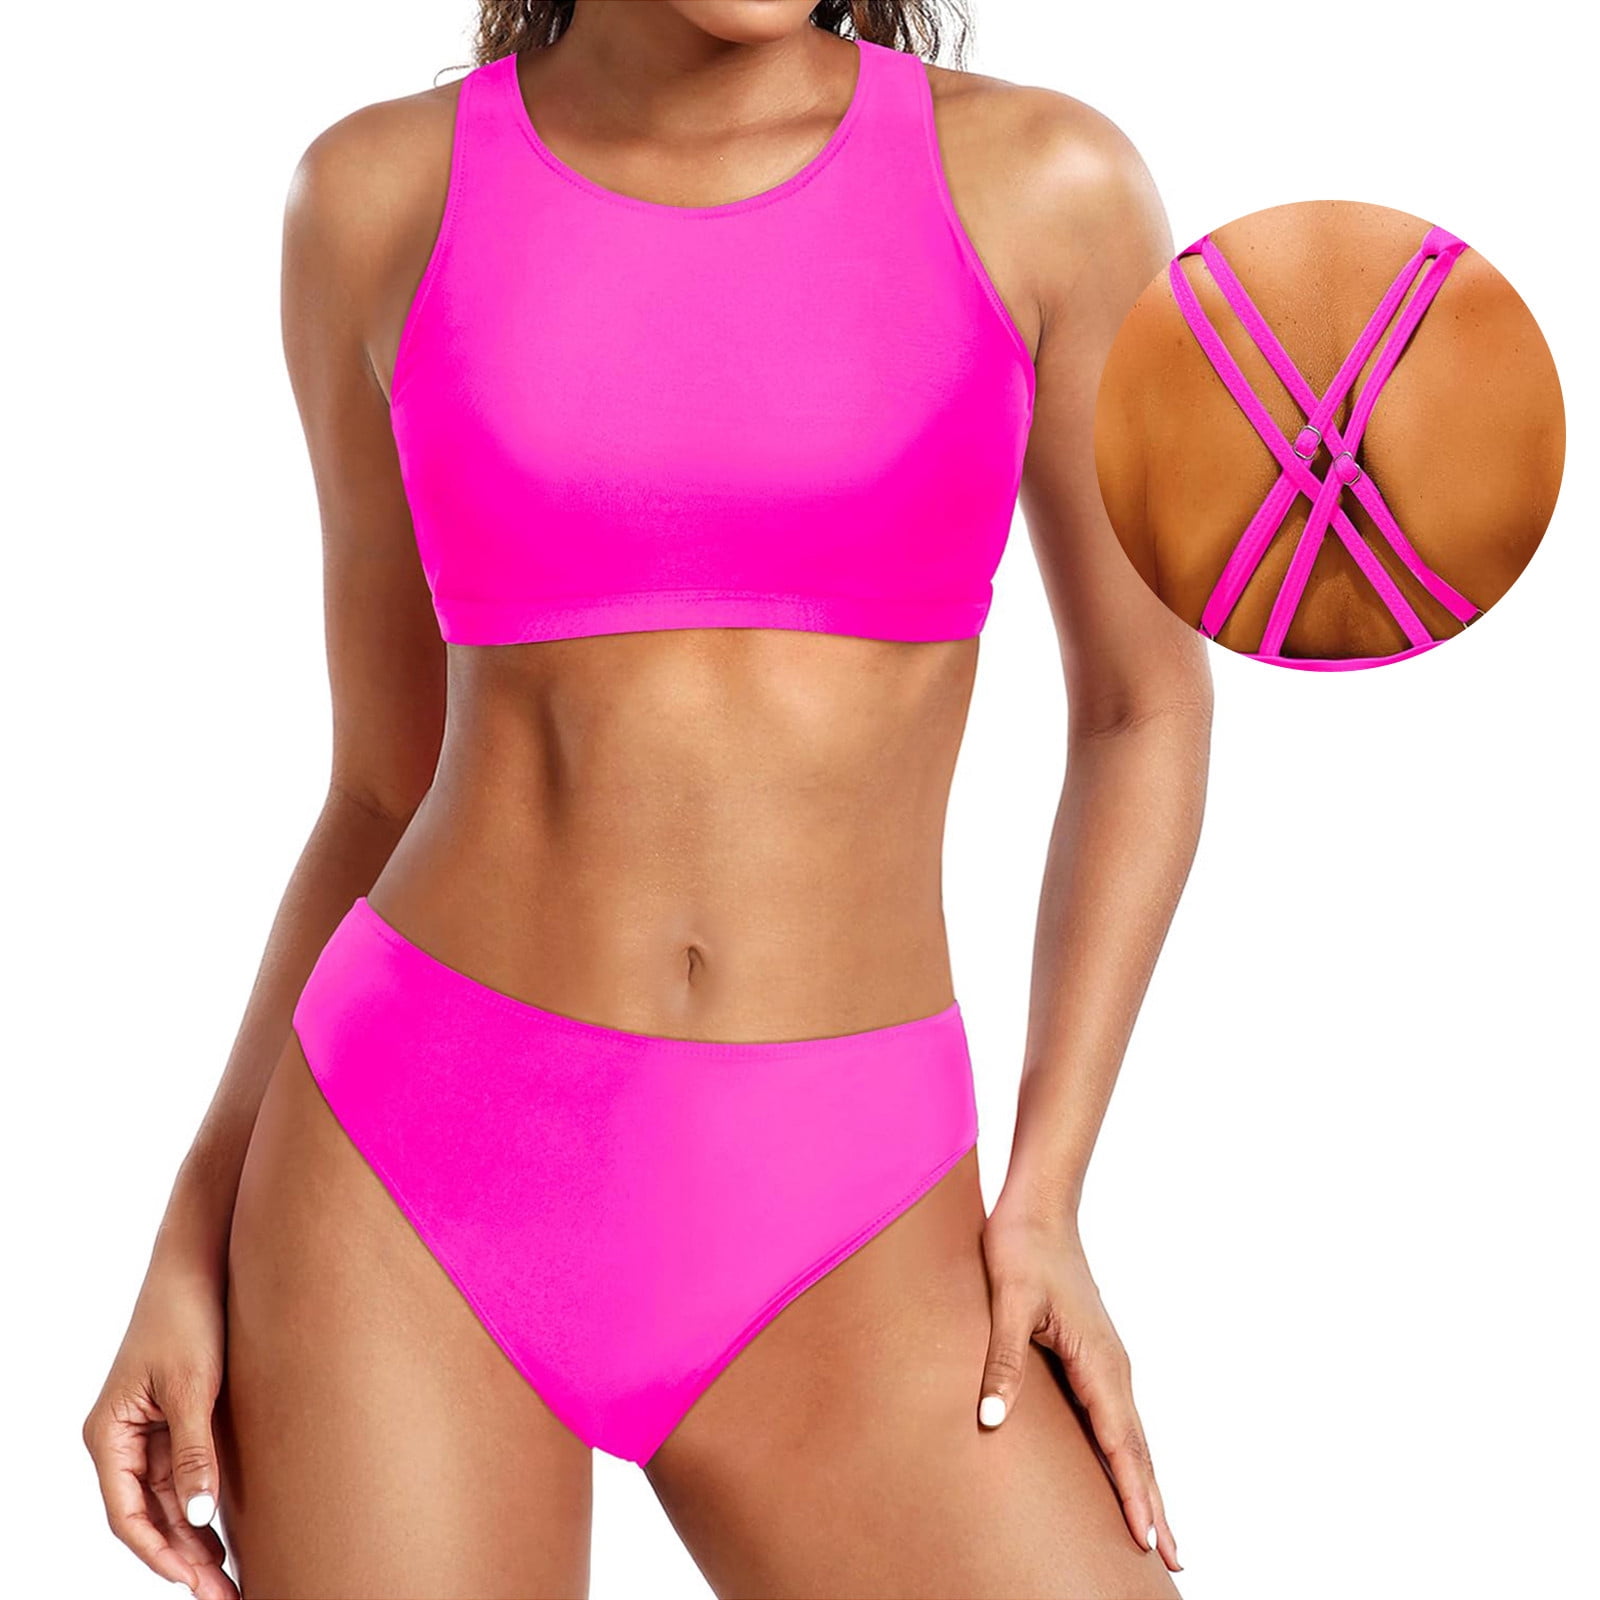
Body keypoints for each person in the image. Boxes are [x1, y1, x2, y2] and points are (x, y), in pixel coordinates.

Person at [82, 3, 1209, 1595]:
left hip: (851, 1217)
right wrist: (195, 1222)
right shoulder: (376, 198)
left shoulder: (1044, 185)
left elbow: (1141, 706)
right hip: (411, 1186)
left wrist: (1049, 1191)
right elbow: (380, 782)